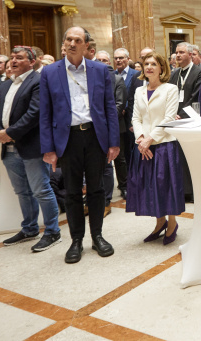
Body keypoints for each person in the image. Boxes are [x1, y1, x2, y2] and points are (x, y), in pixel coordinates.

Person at [40, 26, 120, 264]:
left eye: (77, 40)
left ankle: (97, 236)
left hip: (95, 137)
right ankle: (76, 241)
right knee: (72, 192)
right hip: (68, 139)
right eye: (68, 39)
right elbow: (45, 113)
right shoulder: (50, 72)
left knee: (96, 190)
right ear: (63, 43)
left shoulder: (100, 70)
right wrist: (48, 148)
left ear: (86, 46)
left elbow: (109, 108)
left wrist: (114, 142)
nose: (72, 43)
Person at [0, 46, 61, 252]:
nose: (12, 61)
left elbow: (34, 113)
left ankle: (52, 231)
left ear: (32, 62)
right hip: (9, 148)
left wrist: (10, 132)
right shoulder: (5, 85)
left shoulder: (38, 82)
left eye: (19, 58)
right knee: (22, 191)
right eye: (12, 58)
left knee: (41, 190)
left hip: (31, 146)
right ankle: (30, 228)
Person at [127, 51, 184, 245]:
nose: (149, 67)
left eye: (153, 64)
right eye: (146, 64)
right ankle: (160, 222)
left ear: (161, 68)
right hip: (144, 145)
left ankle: (172, 223)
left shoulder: (170, 89)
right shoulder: (139, 91)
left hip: (164, 144)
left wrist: (150, 139)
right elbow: (136, 118)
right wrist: (141, 139)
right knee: (149, 186)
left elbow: (169, 119)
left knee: (166, 185)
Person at [169, 42, 201, 204]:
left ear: (190, 54)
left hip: (190, 119)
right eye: (176, 53)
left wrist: (180, 115)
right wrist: (171, 114)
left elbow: (195, 98)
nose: (178, 55)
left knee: (191, 157)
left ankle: (193, 191)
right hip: (175, 120)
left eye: (181, 52)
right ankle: (182, 190)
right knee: (178, 157)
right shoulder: (174, 74)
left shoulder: (198, 72)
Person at [94, 50, 127, 216]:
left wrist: (103, 118)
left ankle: (123, 187)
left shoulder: (117, 79)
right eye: (98, 59)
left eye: (104, 60)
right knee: (100, 162)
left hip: (114, 126)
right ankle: (99, 195)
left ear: (109, 62)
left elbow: (120, 104)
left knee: (119, 160)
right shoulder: (92, 79)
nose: (101, 62)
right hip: (96, 128)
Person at [113, 47, 138, 199]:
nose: (118, 60)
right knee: (121, 156)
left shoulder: (136, 75)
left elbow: (136, 98)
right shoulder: (111, 75)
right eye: (116, 58)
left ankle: (135, 181)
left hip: (132, 119)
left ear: (128, 59)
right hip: (118, 122)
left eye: (121, 58)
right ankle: (125, 184)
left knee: (132, 153)